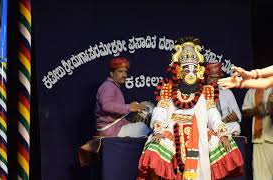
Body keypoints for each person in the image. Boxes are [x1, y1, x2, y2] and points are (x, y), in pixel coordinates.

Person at [137, 38, 244, 180]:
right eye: (187, 69)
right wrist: (159, 130)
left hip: (199, 132)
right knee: (155, 147)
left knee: (222, 144)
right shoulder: (168, 89)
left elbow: (213, 115)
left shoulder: (206, 92)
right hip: (172, 131)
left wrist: (221, 132)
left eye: (194, 69)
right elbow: (160, 111)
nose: (191, 73)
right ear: (179, 71)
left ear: (199, 71)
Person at [95, 57, 151, 137]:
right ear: (111, 73)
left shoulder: (113, 86)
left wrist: (130, 108)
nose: (124, 75)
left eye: (125, 72)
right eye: (120, 71)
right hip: (110, 129)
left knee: (140, 126)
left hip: (115, 128)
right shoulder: (108, 86)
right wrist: (129, 107)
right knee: (143, 128)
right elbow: (107, 106)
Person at [242, 87, 273, 180]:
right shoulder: (252, 90)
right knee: (259, 176)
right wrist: (256, 111)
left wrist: (270, 105)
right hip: (258, 139)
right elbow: (245, 112)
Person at [206, 63, 242, 135]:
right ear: (206, 78)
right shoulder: (201, 93)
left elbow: (238, 115)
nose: (215, 80)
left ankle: (216, 135)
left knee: (236, 126)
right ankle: (215, 134)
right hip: (207, 127)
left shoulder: (227, 92)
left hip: (224, 125)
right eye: (212, 77)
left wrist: (235, 117)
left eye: (217, 78)